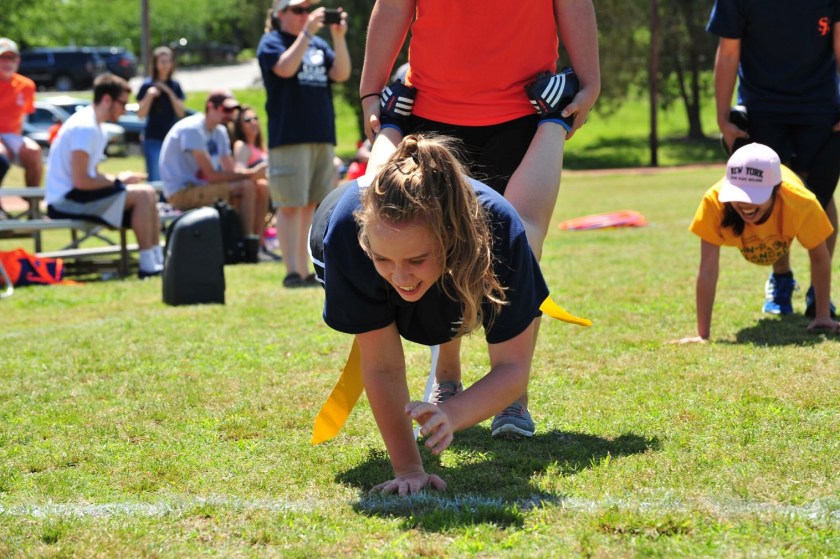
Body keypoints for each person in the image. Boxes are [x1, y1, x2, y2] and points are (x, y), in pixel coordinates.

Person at [358, 0, 600, 436]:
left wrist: (591, 80)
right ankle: (448, 379)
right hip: (430, 112)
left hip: (526, 111)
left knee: (521, 249)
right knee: (431, 248)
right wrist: (371, 92)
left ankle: (513, 398)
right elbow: (393, 6)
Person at [310, 135, 552, 494]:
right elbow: (382, 366)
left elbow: (513, 369)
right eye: (383, 259)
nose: (400, 277)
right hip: (337, 223)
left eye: (416, 260)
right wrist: (408, 468)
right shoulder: (348, 232)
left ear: (452, 239)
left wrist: (452, 414)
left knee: (449, 313)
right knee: (409, 299)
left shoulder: (501, 231)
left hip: (468, 253)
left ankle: (448, 380)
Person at [707, 0, 840, 317]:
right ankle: (782, 279)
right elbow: (727, 53)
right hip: (762, 108)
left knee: (819, 197)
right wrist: (723, 118)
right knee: (770, 194)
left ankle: (818, 293)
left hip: (820, 107)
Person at [675, 143, 840, 344]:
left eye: (754, 196)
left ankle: (786, 283)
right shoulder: (714, 201)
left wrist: (822, 315)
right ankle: (781, 282)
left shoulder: (801, 202)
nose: (745, 205)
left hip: (783, 232)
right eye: (739, 195)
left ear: (776, 191)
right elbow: (708, 269)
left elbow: (819, 257)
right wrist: (702, 334)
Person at [256, 0, 351, 288]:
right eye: (297, 11)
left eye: (306, 11)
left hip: (320, 134)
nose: (304, 16)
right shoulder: (271, 42)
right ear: (280, 14)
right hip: (290, 137)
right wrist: (307, 33)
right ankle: (292, 271)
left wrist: (337, 36)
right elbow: (284, 69)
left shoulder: (318, 45)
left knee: (310, 204)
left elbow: (341, 73)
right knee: (289, 205)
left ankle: (306, 270)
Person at [44, 74, 163, 278]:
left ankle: (158, 260)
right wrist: (117, 181)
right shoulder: (86, 126)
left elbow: (91, 176)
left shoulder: (95, 126)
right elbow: (81, 181)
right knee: (143, 194)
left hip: (76, 195)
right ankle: (148, 267)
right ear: (107, 99)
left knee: (149, 192)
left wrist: (118, 181)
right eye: (122, 103)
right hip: (64, 201)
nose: (125, 109)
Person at [159, 89, 269, 248]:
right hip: (181, 192)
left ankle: (259, 244)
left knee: (261, 187)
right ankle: (244, 245)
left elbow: (230, 171)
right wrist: (252, 173)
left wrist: (253, 176)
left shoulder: (220, 131)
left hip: (202, 187)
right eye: (226, 110)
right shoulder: (193, 128)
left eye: (233, 110)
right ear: (210, 107)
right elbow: (211, 175)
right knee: (246, 187)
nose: (230, 114)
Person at [230, 105, 283, 262]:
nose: (253, 122)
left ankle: (261, 244)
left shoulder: (261, 147)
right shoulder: (241, 146)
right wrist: (255, 172)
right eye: (247, 120)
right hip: (255, 191)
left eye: (255, 118)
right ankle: (255, 244)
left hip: (270, 192)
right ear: (240, 126)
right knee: (261, 185)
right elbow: (238, 170)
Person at [0, 37, 43, 217]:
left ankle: (33, 207)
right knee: (1, 156)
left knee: (34, 151)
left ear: (18, 60)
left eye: (12, 58)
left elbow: (23, 116)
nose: (8, 63)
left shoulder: (26, 85)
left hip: (13, 134)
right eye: (3, 58)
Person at [136, 46, 186, 183]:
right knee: (156, 178)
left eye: (168, 61)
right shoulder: (147, 85)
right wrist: (149, 95)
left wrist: (169, 93)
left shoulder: (175, 86)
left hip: (172, 137)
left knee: (173, 176)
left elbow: (181, 112)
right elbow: (140, 114)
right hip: (153, 137)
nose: (165, 65)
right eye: (162, 61)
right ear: (155, 64)